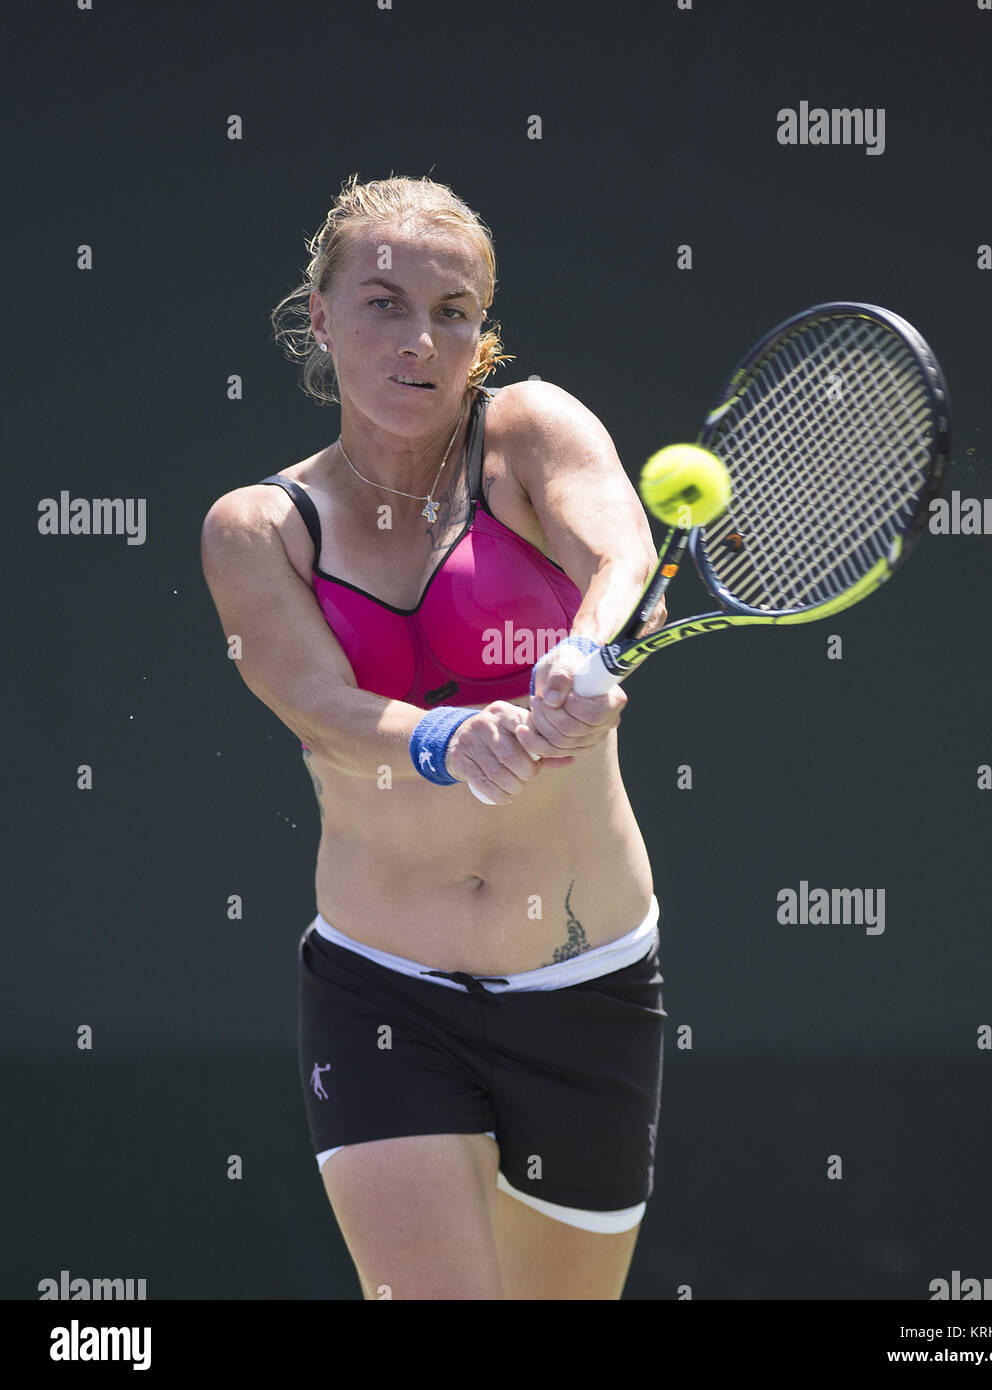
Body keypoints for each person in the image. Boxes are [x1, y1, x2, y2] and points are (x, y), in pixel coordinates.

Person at [200, 173, 668, 1300]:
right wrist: (440, 740)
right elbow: (313, 699)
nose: (419, 339)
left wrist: (586, 651)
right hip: (381, 992)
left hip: (588, 985)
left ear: (482, 334)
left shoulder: (529, 433)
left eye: (451, 311)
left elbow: (626, 560)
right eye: (381, 302)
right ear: (319, 318)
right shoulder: (258, 526)